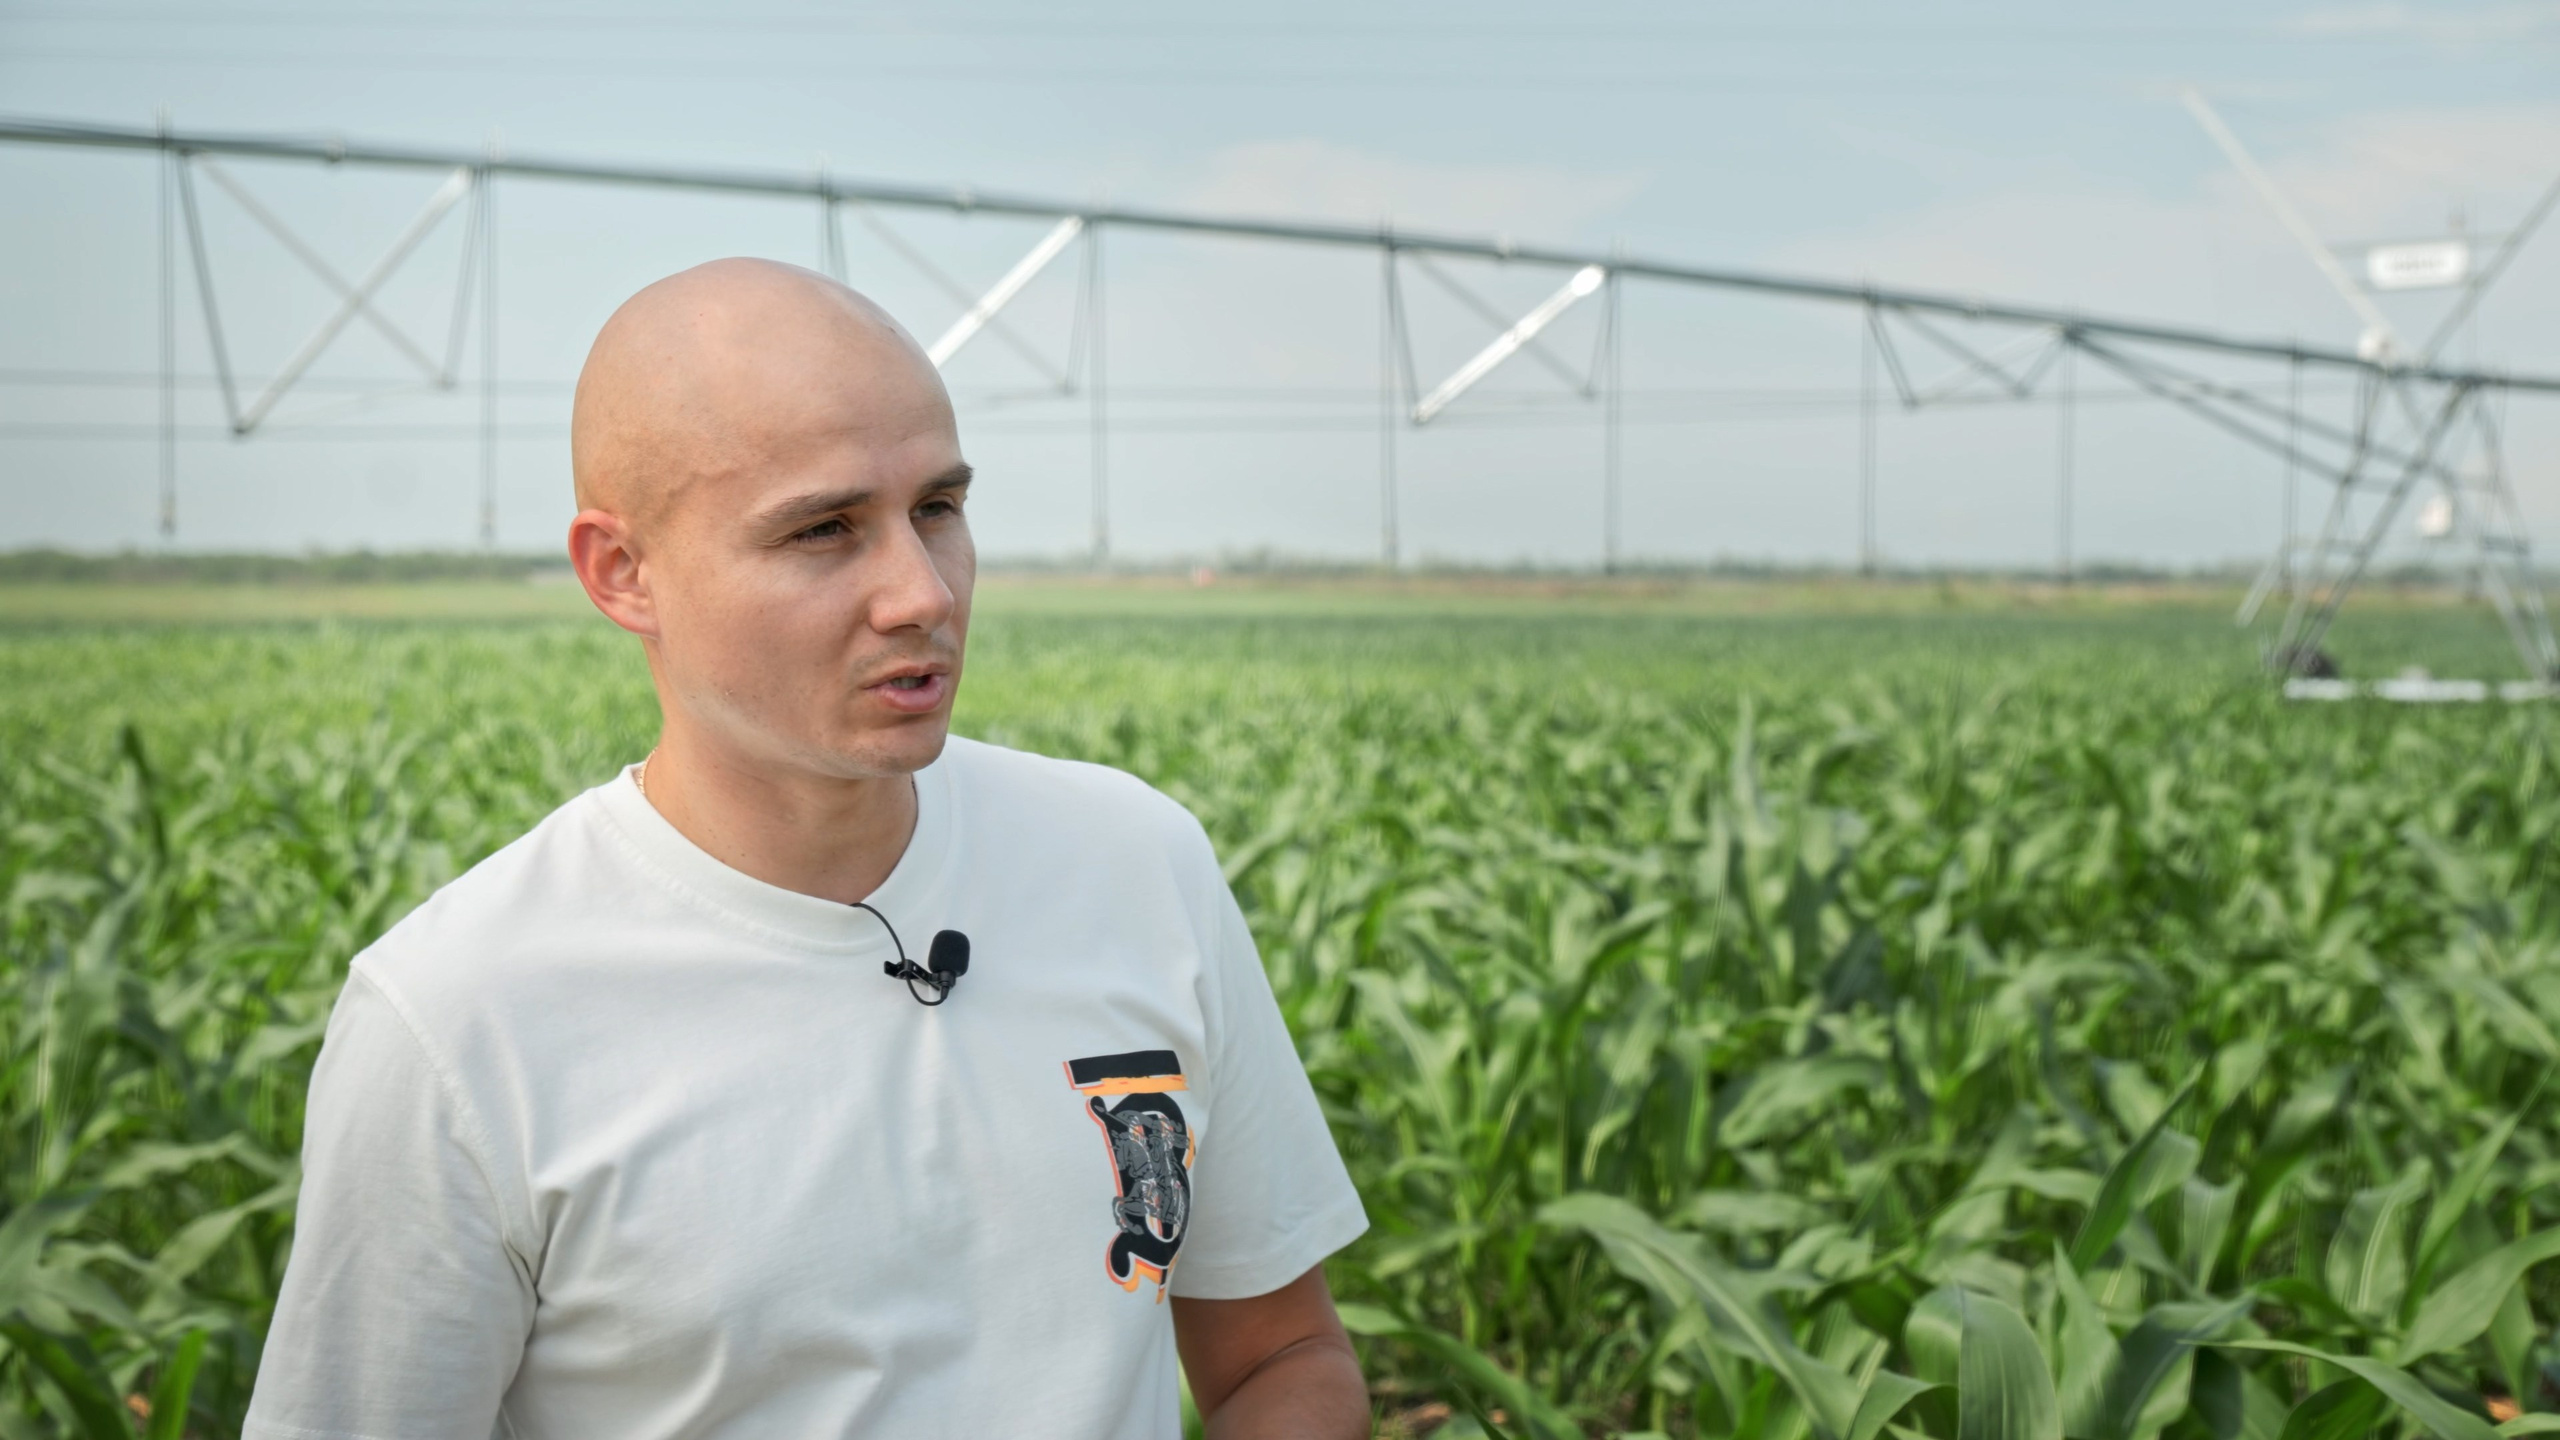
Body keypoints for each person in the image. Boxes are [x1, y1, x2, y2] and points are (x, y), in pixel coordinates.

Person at [243, 259, 1371, 1440]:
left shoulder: (1137, 862)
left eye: (937, 507)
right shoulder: (459, 1019)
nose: (920, 592)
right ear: (623, 574)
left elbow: (1280, 1353)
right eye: (824, 530)